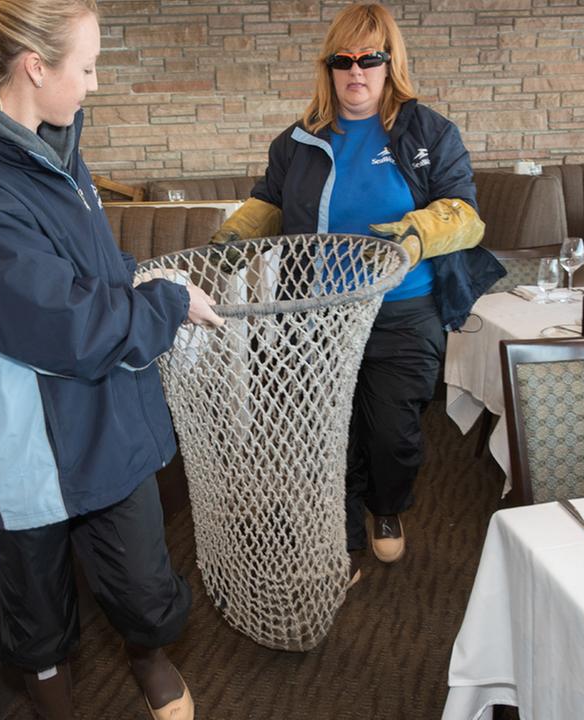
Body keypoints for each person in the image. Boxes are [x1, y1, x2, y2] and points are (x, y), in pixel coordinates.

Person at [0, 1, 221, 717]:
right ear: (35, 67)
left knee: (144, 583)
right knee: (37, 608)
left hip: (100, 413)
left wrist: (141, 280)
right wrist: (166, 308)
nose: (92, 84)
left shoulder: (57, 149)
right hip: (23, 437)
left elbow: (84, 272)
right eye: (85, 67)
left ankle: (147, 652)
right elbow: (69, 329)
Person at [212, 2, 503, 583]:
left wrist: (418, 234)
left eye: (370, 59)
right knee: (325, 432)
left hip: (401, 311)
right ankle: (339, 537)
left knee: (392, 434)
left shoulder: (429, 132)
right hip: (317, 316)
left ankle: (386, 508)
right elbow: (268, 204)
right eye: (343, 60)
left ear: (390, 63)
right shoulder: (297, 141)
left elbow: (466, 215)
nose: (356, 72)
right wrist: (228, 240)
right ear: (329, 68)